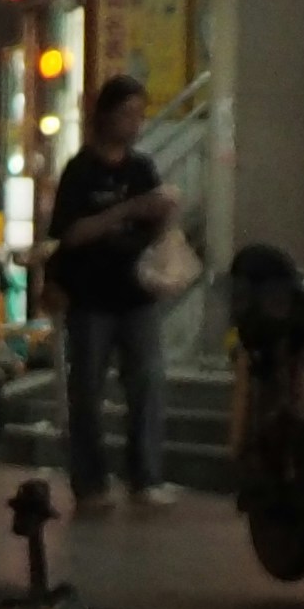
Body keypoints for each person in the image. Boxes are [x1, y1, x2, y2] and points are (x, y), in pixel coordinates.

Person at [47, 76, 183, 514]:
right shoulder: (81, 171)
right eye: (128, 113)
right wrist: (126, 210)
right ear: (104, 115)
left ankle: (146, 476)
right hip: (91, 298)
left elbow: (156, 228)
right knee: (86, 390)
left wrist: (163, 214)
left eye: (140, 115)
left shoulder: (142, 169)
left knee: (146, 385)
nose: (135, 124)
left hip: (137, 294)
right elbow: (71, 234)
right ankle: (91, 483)